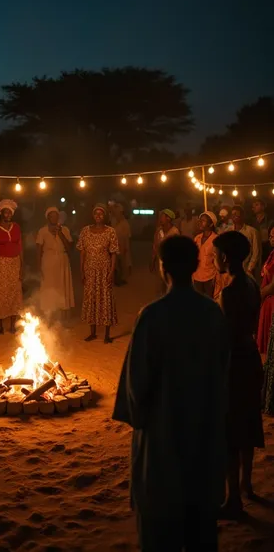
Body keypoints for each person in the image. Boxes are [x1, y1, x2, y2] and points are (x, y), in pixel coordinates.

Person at [113, 235, 229, 551]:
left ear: (162, 268)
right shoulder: (212, 314)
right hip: (204, 441)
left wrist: (143, 420)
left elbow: (135, 389)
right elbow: (223, 376)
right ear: (195, 267)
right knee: (200, 533)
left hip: (161, 443)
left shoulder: (152, 316)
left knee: (158, 535)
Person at [214, 231, 264, 517]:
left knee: (231, 432)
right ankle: (246, 486)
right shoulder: (251, 283)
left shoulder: (231, 291)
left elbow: (225, 334)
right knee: (247, 424)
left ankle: (233, 498)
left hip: (234, 362)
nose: (214, 258)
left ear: (226, 257)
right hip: (250, 358)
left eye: (217, 253)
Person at [77, 204, 119, 343]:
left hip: (104, 270)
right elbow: (82, 252)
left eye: (101, 214)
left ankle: (107, 334)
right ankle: (92, 332)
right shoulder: (85, 231)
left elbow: (113, 253)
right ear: (92, 216)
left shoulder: (110, 231)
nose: (98, 216)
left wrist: (112, 271)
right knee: (91, 298)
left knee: (105, 299)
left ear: (105, 216)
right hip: (89, 269)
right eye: (96, 214)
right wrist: (82, 270)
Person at [0, 199, 23, 335]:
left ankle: (13, 325)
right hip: (0, 262)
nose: (7, 214)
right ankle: (0, 325)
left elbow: (20, 247)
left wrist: (22, 266)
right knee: (1, 293)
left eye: (9, 212)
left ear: (12, 214)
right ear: (0, 213)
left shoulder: (17, 227)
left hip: (15, 262)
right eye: (5, 212)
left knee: (15, 292)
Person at [36, 207, 74, 316]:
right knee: (49, 285)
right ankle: (50, 314)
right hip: (48, 261)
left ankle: (63, 313)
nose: (54, 218)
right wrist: (38, 266)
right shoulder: (42, 231)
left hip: (62, 261)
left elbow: (69, 247)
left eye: (56, 216)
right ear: (48, 218)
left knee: (62, 285)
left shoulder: (65, 230)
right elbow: (38, 249)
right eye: (51, 216)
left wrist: (60, 233)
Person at [151, 209, 180, 294]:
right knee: (159, 287)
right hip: (159, 263)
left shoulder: (175, 232)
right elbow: (155, 246)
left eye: (162, 217)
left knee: (169, 286)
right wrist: (152, 260)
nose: (160, 219)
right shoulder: (158, 231)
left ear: (168, 219)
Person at [231, 205, 262, 282]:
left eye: (236, 214)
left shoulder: (252, 232)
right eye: (232, 214)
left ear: (242, 216)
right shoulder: (228, 231)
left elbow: (256, 252)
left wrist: (249, 269)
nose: (234, 216)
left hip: (247, 270)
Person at [192, 211, 218, 298]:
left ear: (211, 224)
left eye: (203, 220)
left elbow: (218, 260)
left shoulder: (216, 240)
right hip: (197, 276)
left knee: (209, 302)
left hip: (210, 277)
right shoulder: (197, 238)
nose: (200, 222)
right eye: (200, 220)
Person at [257, 223, 274, 354]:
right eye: (270, 236)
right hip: (266, 301)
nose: (272, 239)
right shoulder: (272, 254)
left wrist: (258, 296)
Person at [109, 202, 132, 285]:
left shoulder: (125, 224)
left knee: (122, 263)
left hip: (122, 246)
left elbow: (126, 237)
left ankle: (121, 278)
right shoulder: (113, 222)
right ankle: (115, 278)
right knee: (114, 264)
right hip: (114, 246)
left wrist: (125, 248)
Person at [252, 199, 271, 264]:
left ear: (263, 207)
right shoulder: (252, 222)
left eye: (257, 204)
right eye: (253, 205)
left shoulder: (270, 221)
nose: (254, 207)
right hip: (255, 250)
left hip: (266, 250)